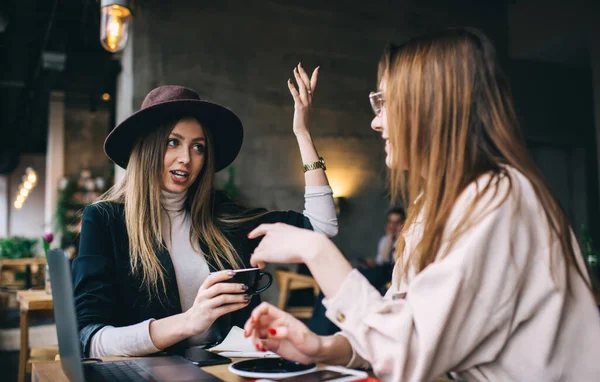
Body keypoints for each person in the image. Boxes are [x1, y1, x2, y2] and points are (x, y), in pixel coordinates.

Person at [243, 28, 600, 381]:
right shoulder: (430, 206)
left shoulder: (499, 196)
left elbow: (408, 356)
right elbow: (400, 328)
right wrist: (320, 347)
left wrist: (316, 250)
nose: (375, 121)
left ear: (432, 107)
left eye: (384, 102)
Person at [72, 63, 338, 358]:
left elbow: (321, 227)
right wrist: (189, 322)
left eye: (198, 147)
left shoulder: (220, 215)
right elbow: (90, 338)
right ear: (147, 149)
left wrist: (303, 135)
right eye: (173, 142)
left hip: (223, 372)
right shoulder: (106, 221)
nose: (186, 158)